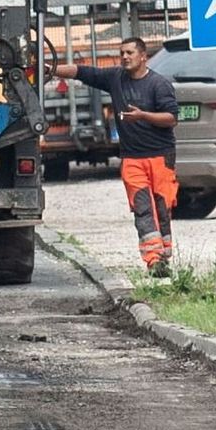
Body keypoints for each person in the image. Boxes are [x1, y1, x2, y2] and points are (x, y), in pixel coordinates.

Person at [51, 38, 180, 276]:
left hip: (161, 156)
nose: (125, 57)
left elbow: (171, 118)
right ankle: (154, 261)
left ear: (143, 57)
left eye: (130, 52)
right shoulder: (115, 78)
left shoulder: (158, 84)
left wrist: (143, 116)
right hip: (131, 158)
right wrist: (50, 69)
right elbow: (83, 72)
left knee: (162, 207)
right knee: (142, 208)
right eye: (122, 53)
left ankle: (165, 255)